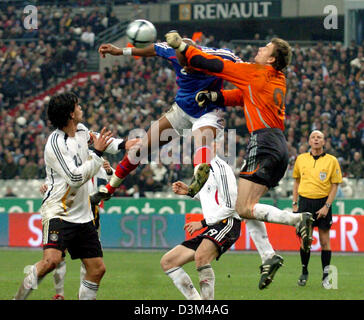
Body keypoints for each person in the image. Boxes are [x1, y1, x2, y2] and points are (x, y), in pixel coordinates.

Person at [164, 31, 314, 259]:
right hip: (279, 146)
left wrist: (183, 48)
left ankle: (296, 219)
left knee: (243, 208)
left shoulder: (255, 72)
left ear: (272, 59)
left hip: (262, 142)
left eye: (265, 48)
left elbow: (213, 64)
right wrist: (215, 97)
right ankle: (269, 256)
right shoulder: (276, 78)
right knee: (247, 206)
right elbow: (243, 96)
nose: (260, 50)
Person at [13, 92, 139, 300]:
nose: (81, 108)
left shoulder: (81, 131)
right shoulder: (55, 144)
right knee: (51, 261)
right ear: (71, 114)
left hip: (82, 214)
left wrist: (128, 144)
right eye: (78, 106)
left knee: (97, 269)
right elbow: (74, 177)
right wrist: (97, 154)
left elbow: (104, 142)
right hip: (59, 211)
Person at [90, 39, 242, 205]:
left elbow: (246, 70)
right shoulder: (171, 51)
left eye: (188, 64)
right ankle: (109, 189)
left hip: (210, 110)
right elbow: (153, 49)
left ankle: (197, 179)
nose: (185, 68)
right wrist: (120, 51)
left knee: (202, 139)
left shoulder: (219, 56)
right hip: (182, 109)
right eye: (181, 64)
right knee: (141, 148)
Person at [161, 141, 283, 300]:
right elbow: (210, 197)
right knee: (168, 262)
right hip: (213, 226)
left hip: (228, 222)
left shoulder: (222, 168)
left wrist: (202, 223)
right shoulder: (201, 169)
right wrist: (189, 192)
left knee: (201, 257)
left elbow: (232, 205)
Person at [39, 160, 114, 300]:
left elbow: (112, 184)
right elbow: (53, 180)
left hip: (90, 212)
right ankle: (59, 294)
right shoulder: (65, 156)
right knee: (58, 256)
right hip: (64, 209)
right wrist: (45, 186)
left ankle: (84, 294)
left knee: (90, 260)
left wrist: (109, 171)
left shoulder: (96, 159)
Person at [292, 130, 342, 289]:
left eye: (319, 137)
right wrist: (295, 204)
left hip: (323, 202)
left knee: (324, 241)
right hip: (305, 203)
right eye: (313, 137)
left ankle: (326, 276)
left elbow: (335, 185)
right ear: (309, 141)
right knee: (305, 241)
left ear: (324, 141)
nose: (316, 139)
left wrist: (327, 206)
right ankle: (304, 271)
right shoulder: (301, 159)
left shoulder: (332, 160)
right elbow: (296, 182)